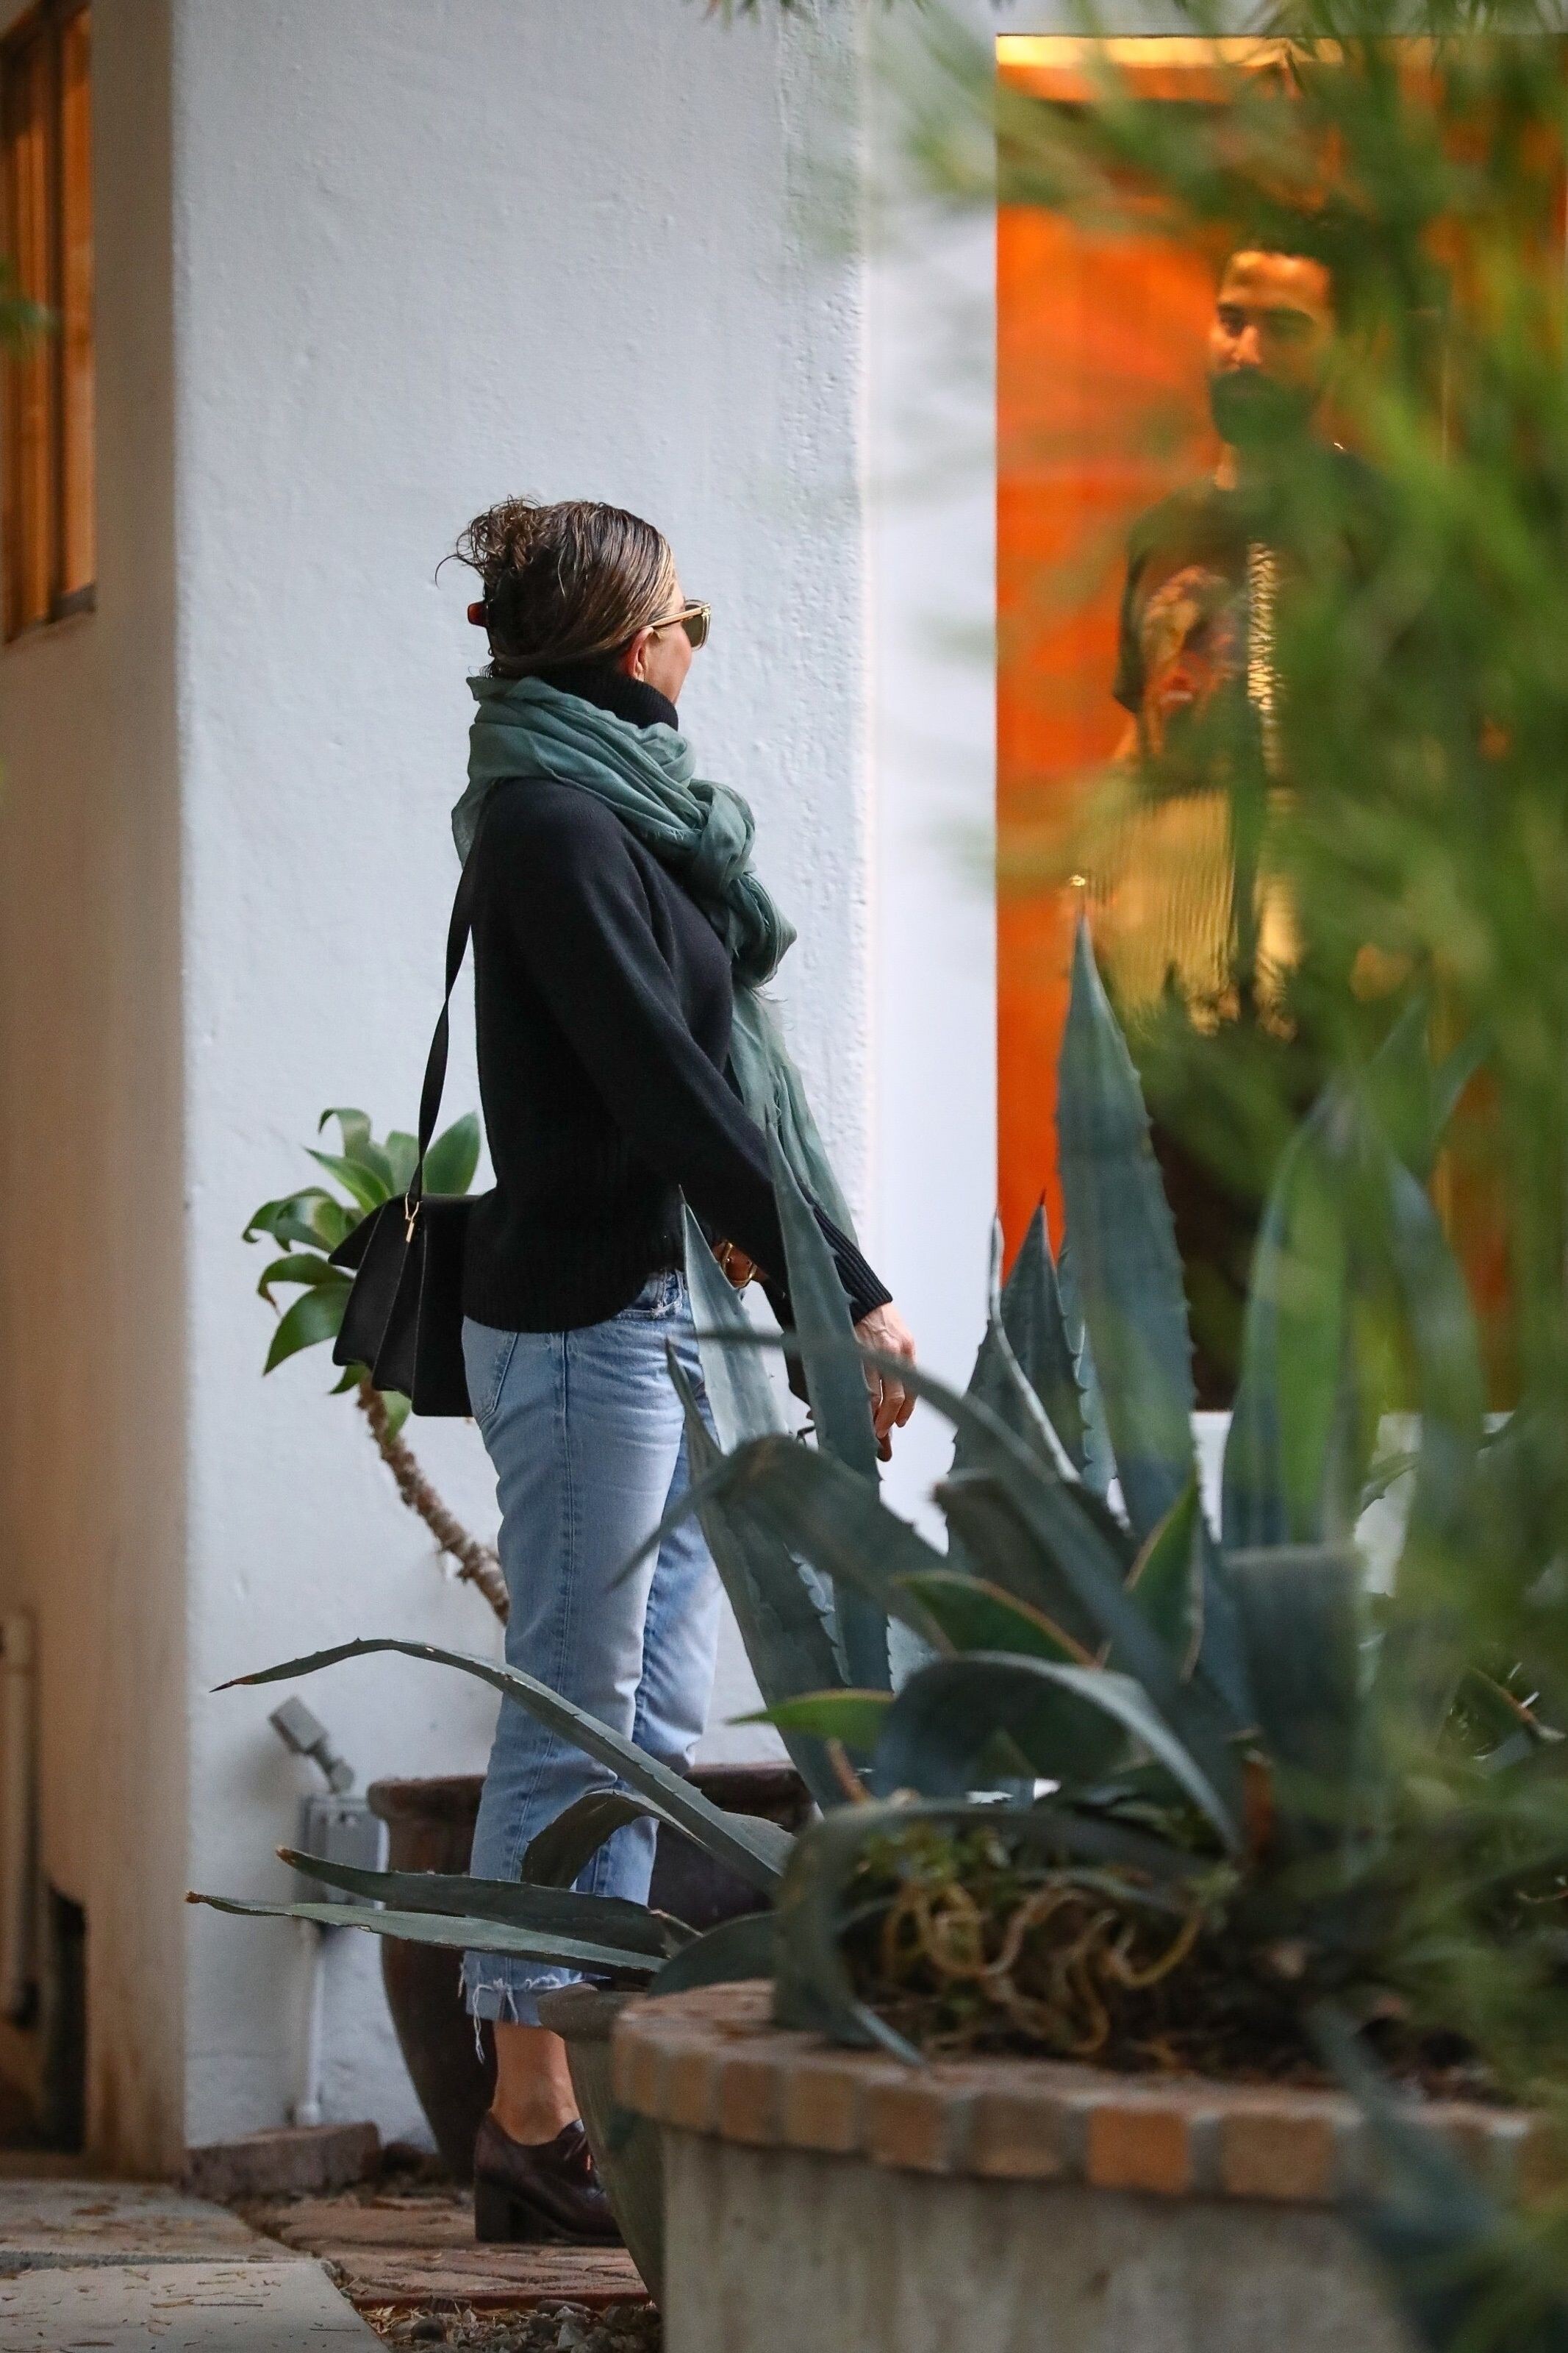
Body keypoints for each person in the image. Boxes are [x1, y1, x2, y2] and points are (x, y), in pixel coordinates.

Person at [446, 498, 916, 2243]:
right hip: (589, 1329)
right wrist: (834, 1285)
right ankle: (530, 2114)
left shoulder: (611, 813)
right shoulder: (551, 823)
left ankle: (568, 2087)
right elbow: (667, 1089)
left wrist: (786, 1273)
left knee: (647, 1721)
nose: (695, 649)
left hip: (658, 1316)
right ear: (638, 646)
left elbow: (697, 1083)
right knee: (576, 1712)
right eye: (688, 620)